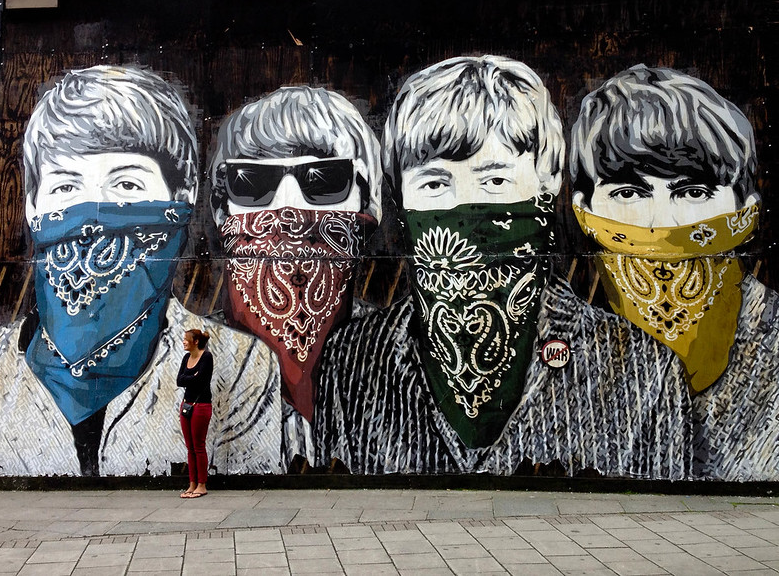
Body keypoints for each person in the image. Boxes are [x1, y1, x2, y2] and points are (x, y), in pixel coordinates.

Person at [314, 55, 693, 478]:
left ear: (548, 185)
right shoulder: (352, 360)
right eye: (435, 183)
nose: (462, 210)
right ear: (400, 197)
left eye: (495, 181)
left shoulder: (642, 373)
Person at [0, 65, 283, 477]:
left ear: (182, 198)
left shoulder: (243, 363)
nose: (94, 214)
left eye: (126, 185)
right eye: (66, 187)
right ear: (33, 207)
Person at [569, 64, 779, 481]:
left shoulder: (773, 331)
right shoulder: (561, 330)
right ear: (585, 209)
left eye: (693, 192)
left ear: (744, 207)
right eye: (628, 193)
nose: (659, 221)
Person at [209, 86, 382, 466]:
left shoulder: (393, 351)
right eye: (253, 184)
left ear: (366, 199)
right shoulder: (196, 348)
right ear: (222, 207)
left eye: (323, 181)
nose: (289, 208)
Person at [178, 329, 213, 498]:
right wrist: (193, 376)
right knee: (189, 447)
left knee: (198, 446)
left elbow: (202, 381)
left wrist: (189, 377)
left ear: (196, 341)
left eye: (186, 339)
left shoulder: (206, 357)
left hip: (201, 405)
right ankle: (192, 484)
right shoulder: (186, 358)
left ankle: (202, 484)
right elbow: (179, 380)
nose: (184, 342)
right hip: (186, 405)